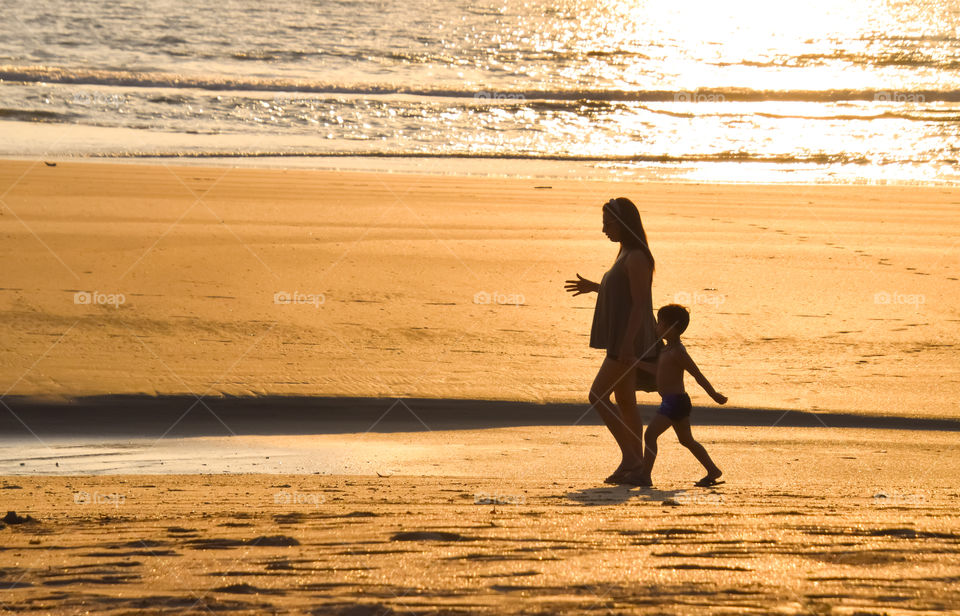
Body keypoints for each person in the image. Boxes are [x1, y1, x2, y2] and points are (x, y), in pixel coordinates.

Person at [565, 198, 661, 485]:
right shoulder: (625, 254)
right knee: (626, 401)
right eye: (604, 223)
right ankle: (638, 468)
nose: (604, 229)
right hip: (625, 338)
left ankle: (632, 458)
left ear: (624, 223)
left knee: (597, 395)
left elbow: (640, 304)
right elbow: (623, 293)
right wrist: (596, 287)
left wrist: (629, 345)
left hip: (630, 340)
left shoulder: (637, 257)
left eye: (608, 223)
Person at [625, 304, 727, 488]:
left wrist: (714, 395)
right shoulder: (666, 350)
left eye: (660, 324)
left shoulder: (678, 352)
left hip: (675, 403)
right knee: (687, 440)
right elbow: (658, 371)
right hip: (674, 402)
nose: (657, 328)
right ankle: (713, 470)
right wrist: (636, 363)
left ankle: (645, 476)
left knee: (650, 435)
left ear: (672, 329)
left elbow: (697, 374)